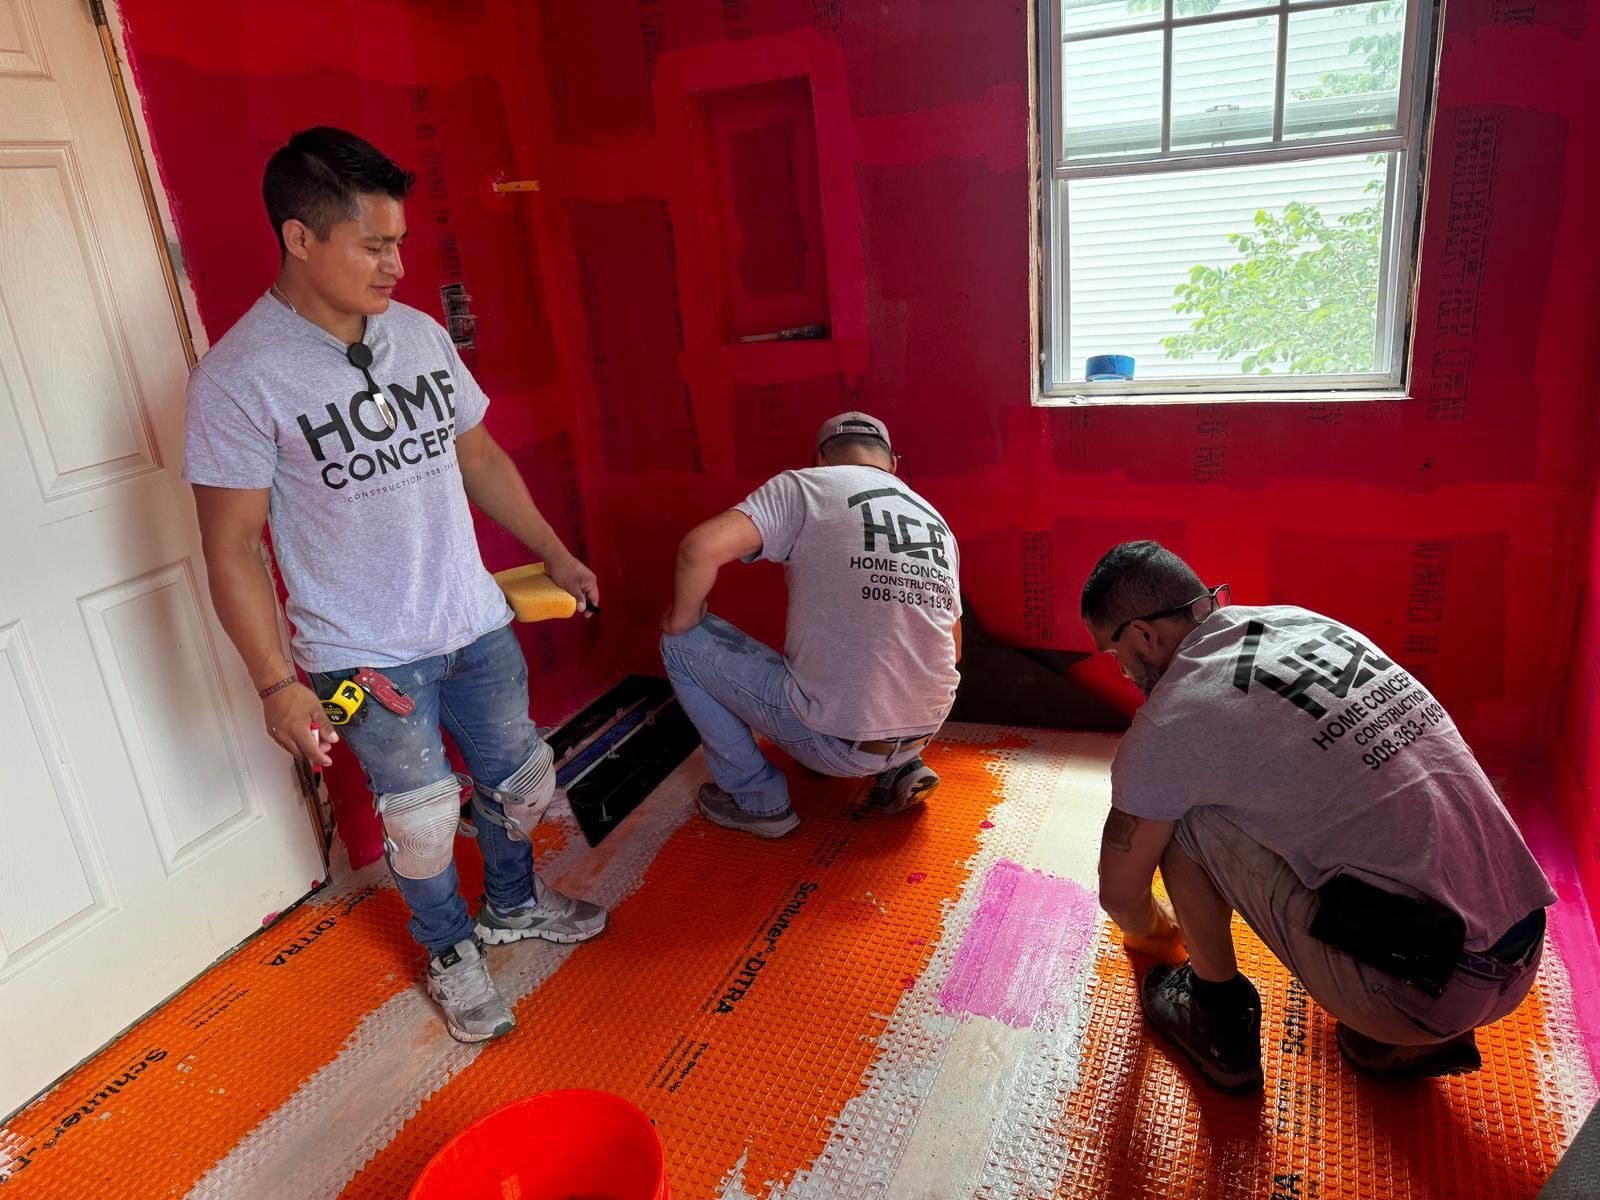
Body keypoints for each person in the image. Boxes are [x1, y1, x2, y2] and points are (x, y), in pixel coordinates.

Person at [184, 127, 607, 1044]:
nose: (397, 265)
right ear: (301, 238)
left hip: (475, 623)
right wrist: (274, 681)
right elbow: (231, 546)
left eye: (400, 242)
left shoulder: (413, 335)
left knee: (520, 783)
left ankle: (512, 905)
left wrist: (555, 551)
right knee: (418, 822)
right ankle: (450, 950)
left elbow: (480, 453)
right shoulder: (238, 377)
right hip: (358, 656)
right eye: (374, 245)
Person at [1081, 541, 1555, 1091]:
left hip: (1429, 988)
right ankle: (1415, 1034)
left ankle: (1215, 1013)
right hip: (1520, 950)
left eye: (1112, 653)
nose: (1119, 673)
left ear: (1142, 633)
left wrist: (1160, 937)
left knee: (1180, 815)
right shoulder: (1300, 623)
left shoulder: (1170, 723)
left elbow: (1120, 893)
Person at [660, 412, 962, 837]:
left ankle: (758, 801)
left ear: (821, 459)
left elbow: (697, 550)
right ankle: (899, 767)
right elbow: (954, 647)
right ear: (891, 463)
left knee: (681, 642)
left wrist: (680, 620)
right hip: (926, 730)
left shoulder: (804, 487)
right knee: (893, 648)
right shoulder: (935, 521)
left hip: (833, 745)